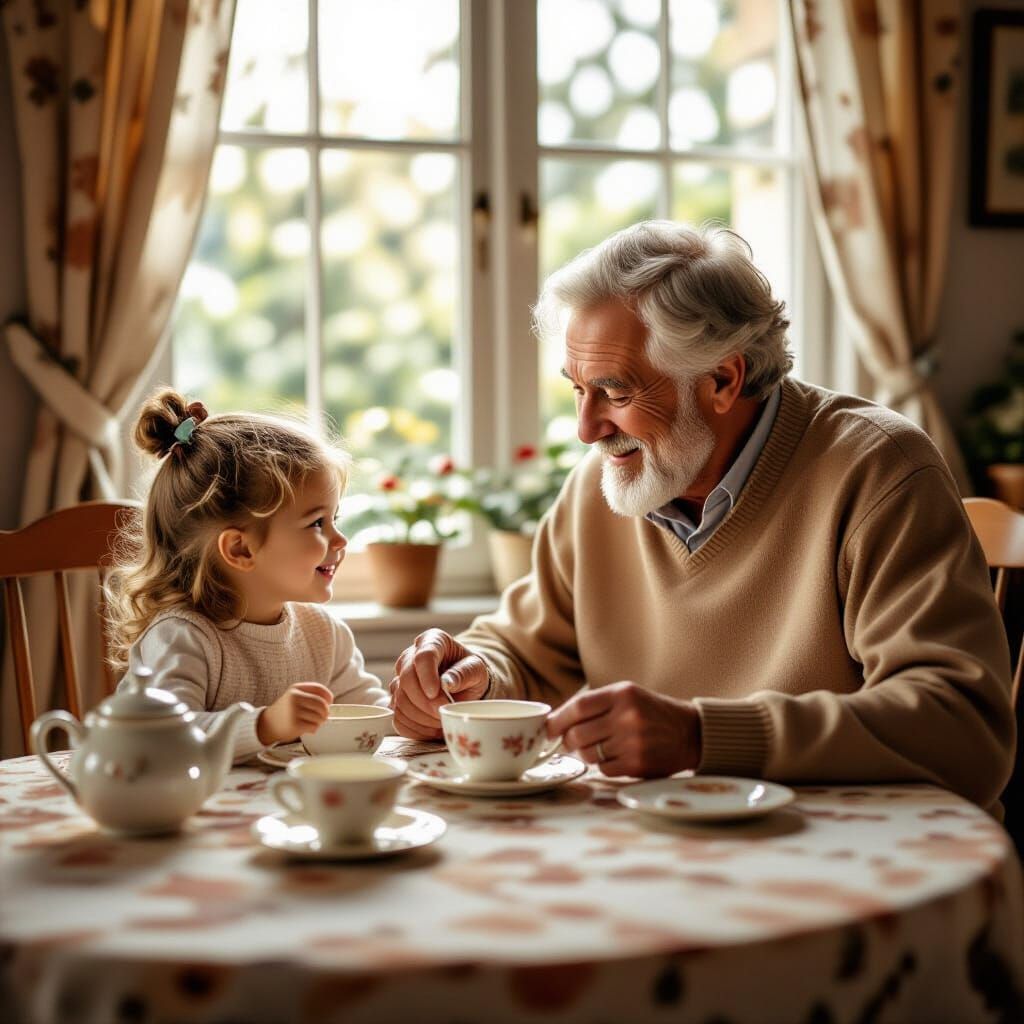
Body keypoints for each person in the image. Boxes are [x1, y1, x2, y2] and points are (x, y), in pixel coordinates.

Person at [390, 220, 1015, 810]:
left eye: (616, 391)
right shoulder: (604, 486)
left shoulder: (879, 469)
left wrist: (703, 735)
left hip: (849, 849)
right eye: (578, 389)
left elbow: (962, 728)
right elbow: (525, 650)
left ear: (722, 379)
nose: (586, 429)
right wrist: (471, 677)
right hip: (662, 845)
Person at [106, 388, 387, 762]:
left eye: (334, 518)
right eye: (317, 523)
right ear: (240, 549)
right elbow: (163, 737)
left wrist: (423, 712)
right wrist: (264, 726)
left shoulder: (324, 634)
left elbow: (371, 716)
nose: (340, 539)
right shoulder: (182, 637)